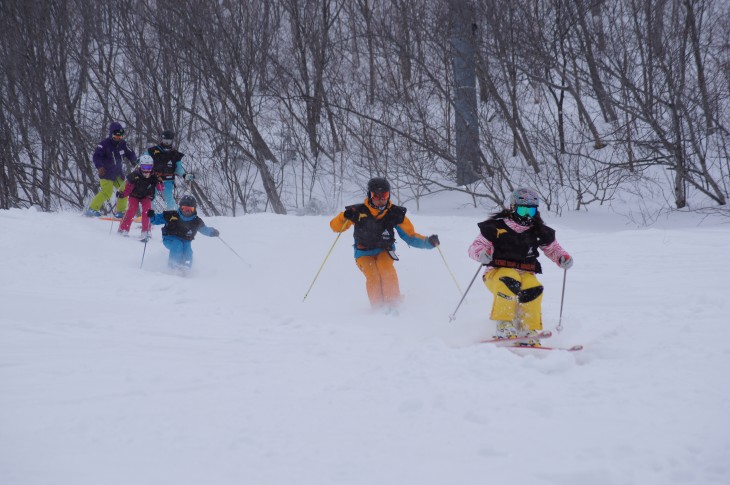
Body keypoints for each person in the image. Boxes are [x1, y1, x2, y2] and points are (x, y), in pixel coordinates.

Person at [467, 187, 573, 346]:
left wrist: (562, 257)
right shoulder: (497, 227)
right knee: (509, 280)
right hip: (496, 272)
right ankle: (504, 324)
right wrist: (481, 253)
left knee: (534, 288)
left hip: (526, 273)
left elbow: (553, 249)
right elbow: (475, 246)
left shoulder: (537, 230)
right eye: (523, 210)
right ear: (513, 208)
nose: (526, 216)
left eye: (530, 212)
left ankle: (528, 329)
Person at [329, 177, 440, 310]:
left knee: (386, 270)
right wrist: (343, 217)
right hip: (363, 253)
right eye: (376, 195)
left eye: (385, 195)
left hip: (384, 251)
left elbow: (410, 236)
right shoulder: (357, 212)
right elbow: (335, 227)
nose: (381, 199)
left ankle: (394, 305)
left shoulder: (394, 213)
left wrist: (428, 242)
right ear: (370, 195)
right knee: (373, 277)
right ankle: (377, 309)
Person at [147, 194, 219, 271]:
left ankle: (186, 266)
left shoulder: (196, 221)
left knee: (187, 250)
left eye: (190, 209)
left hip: (185, 240)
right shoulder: (172, 215)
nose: (187, 212)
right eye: (185, 209)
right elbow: (156, 220)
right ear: (180, 208)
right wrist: (152, 216)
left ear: (194, 209)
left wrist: (212, 232)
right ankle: (173, 266)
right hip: (169, 238)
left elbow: (204, 229)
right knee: (177, 245)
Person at [85, 121, 138, 217]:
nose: (118, 138)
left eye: (120, 136)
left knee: (125, 189)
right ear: (111, 134)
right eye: (116, 136)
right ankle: (92, 209)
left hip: (117, 172)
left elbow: (130, 153)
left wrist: (134, 161)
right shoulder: (104, 144)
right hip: (106, 173)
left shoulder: (123, 144)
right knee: (107, 191)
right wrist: (100, 166)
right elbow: (97, 156)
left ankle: (121, 212)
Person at [143, 130, 194, 210]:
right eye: (165, 140)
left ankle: (174, 214)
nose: (166, 142)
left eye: (169, 140)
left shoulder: (175, 154)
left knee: (168, 198)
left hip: (168, 180)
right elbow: (145, 158)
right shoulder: (153, 151)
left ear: (172, 140)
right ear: (161, 139)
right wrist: (141, 160)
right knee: (151, 197)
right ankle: (151, 214)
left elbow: (179, 169)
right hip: (154, 178)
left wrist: (185, 175)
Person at [116, 154, 162, 241]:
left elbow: (160, 189)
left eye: (149, 168)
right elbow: (128, 189)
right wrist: (122, 194)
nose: (147, 171)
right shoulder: (134, 176)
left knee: (147, 211)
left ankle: (146, 231)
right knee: (132, 210)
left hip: (146, 196)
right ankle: (123, 229)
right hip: (134, 195)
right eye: (144, 167)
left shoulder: (153, 177)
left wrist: (160, 181)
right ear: (140, 166)